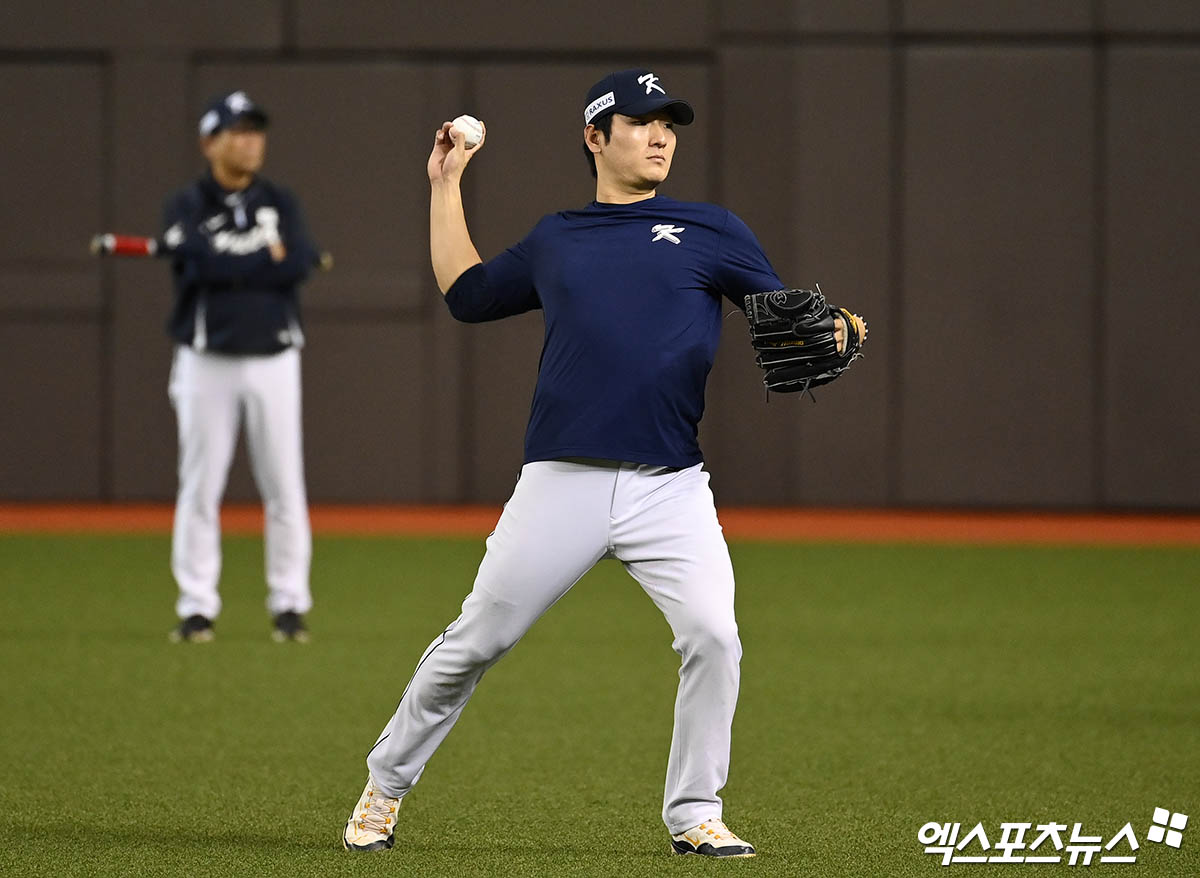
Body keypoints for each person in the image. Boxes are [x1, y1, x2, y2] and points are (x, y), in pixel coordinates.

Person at [342, 68, 856, 857]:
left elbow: (784, 315)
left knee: (715, 636)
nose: (659, 136)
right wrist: (446, 183)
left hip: (671, 486)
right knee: (475, 641)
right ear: (595, 136)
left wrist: (835, 333)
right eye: (641, 121)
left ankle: (695, 814)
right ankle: (384, 786)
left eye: (670, 125)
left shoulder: (711, 228)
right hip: (563, 482)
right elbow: (468, 294)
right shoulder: (558, 237)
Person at [163, 90, 318, 644]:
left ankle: (289, 604)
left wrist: (233, 263)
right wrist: (262, 262)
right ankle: (197, 606)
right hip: (206, 359)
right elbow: (198, 268)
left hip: (274, 357)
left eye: (256, 130)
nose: (251, 141)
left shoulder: (282, 200)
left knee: (284, 485)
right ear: (210, 142)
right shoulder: (187, 203)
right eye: (238, 131)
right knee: (200, 486)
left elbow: (299, 262)